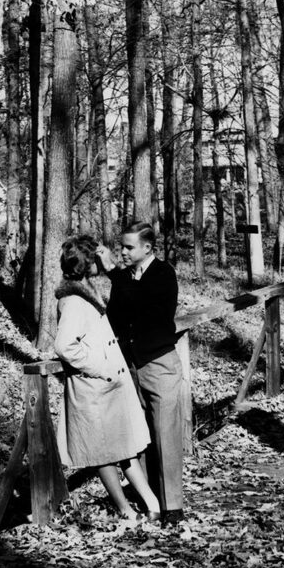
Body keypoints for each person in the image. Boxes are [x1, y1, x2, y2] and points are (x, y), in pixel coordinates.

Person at [53, 234, 161, 522]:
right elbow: (64, 346)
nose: (102, 260)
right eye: (96, 257)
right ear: (87, 262)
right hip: (93, 386)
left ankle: (151, 504)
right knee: (104, 452)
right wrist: (101, 368)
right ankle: (126, 509)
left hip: (106, 386)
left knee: (123, 446)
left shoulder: (84, 290)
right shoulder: (74, 300)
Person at [97, 223, 185, 525]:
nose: (123, 251)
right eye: (122, 246)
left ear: (147, 248)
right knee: (141, 435)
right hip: (132, 365)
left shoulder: (163, 273)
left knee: (166, 434)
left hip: (160, 364)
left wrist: (114, 272)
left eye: (129, 247)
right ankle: (149, 498)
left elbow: (141, 303)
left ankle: (173, 506)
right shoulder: (126, 279)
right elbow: (116, 317)